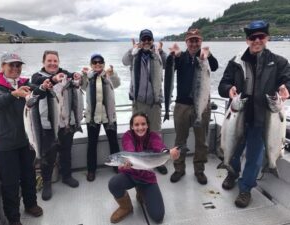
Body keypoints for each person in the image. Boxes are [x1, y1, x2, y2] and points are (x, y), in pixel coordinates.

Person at [218, 20, 290, 208]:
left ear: (267, 38)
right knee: (233, 150)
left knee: (254, 158)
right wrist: (229, 89)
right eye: (252, 37)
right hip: (238, 116)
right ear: (247, 40)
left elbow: (288, 81)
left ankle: (245, 189)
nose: (257, 40)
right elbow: (222, 85)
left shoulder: (280, 63)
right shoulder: (235, 62)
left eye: (261, 37)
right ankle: (232, 173)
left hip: (263, 120)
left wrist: (285, 88)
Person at [0, 53, 51, 225]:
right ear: (2, 67)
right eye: (11, 65)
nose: (15, 68)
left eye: (18, 65)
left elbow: (37, 91)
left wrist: (45, 86)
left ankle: (31, 204)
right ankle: (13, 218)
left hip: (25, 141)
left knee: (28, 175)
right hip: (4, 143)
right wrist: (14, 94)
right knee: (10, 182)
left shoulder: (24, 83)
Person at [165, 28, 218, 184]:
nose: (194, 43)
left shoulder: (206, 57)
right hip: (182, 105)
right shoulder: (181, 57)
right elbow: (169, 66)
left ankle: (199, 170)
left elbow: (214, 67)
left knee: (201, 141)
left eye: (197, 40)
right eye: (191, 40)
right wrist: (172, 54)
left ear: (200, 41)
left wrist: (209, 55)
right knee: (180, 140)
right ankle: (179, 169)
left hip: (202, 105)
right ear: (186, 42)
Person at [108, 112, 180, 224]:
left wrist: (169, 153)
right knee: (113, 183)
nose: (140, 127)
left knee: (158, 216)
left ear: (147, 125)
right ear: (132, 126)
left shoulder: (153, 136)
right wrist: (128, 161)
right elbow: (129, 150)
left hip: (147, 179)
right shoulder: (128, 136)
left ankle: (141, 190)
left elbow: (160, 147)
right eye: (136, 125)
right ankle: (126, 207)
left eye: (143, 124)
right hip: (130, 175)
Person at [32, 50, 81, 201]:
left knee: (66, 151)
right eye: (49, 61)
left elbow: (72, 75)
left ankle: (66, 175)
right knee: (49, 155)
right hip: (47, 125)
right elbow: (37, 83)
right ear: (43, 62)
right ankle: (47, 182)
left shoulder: (63, 73)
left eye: (55, 61)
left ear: (58, 62)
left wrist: (76, 75)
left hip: (65, 123)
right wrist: (53, 79)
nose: (53, 64)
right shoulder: (37, 76)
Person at [122, 29, 168, 175]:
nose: (147, 42)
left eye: (149, 39)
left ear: (152, 40)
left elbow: (167, 63)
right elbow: (124, 61)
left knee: (155, 131)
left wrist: (162, 52)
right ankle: (139, 162)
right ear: (140, 41)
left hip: (155, 101)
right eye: (144, 39)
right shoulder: (135, 55)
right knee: (138, 132)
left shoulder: (157, 56)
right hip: (139, 101)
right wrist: (132, 50)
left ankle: (159, 160)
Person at [81, 54, 121, 182]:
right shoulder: (88, 77)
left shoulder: (108, 76)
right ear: (91, 64)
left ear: (103, 63)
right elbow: (80, 86)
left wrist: (113, 73)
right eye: (94, 62)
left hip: (109, 115)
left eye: (100, 62)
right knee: (92, 144)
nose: (97, 64)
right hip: (92, 116)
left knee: (114, 142)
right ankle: (91, 170)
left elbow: (117, 83)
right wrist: (82, 75)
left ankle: (116, 165)